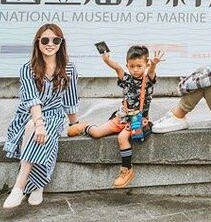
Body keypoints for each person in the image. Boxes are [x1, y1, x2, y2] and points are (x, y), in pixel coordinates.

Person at [3, 24, 80, 209]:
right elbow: (32, 100)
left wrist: (75, 124)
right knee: (32, 128)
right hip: (27, 115)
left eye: (56, 40)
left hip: (54, 115)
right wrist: (39, 124)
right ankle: (36, 186)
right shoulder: (27, 68)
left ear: (61, 43)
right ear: (38, 43)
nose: (50, 44)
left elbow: (70, 98)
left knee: (39, 130)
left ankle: (19, 187)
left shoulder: (69, 68)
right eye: (45, 39)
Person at [69, 45, 165, 189]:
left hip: (138, 121)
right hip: (121, 117)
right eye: (132, 66)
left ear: (146, 64)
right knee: (97, 133)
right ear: (128, 65)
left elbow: (151, 72)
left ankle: (127, 169)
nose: (135, 69)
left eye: (139, 66)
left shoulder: (148, 80)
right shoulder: (126, 78)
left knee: (122, 138)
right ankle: (84, 127)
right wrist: (107, 60)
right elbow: (117, 68)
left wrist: (154, 64)